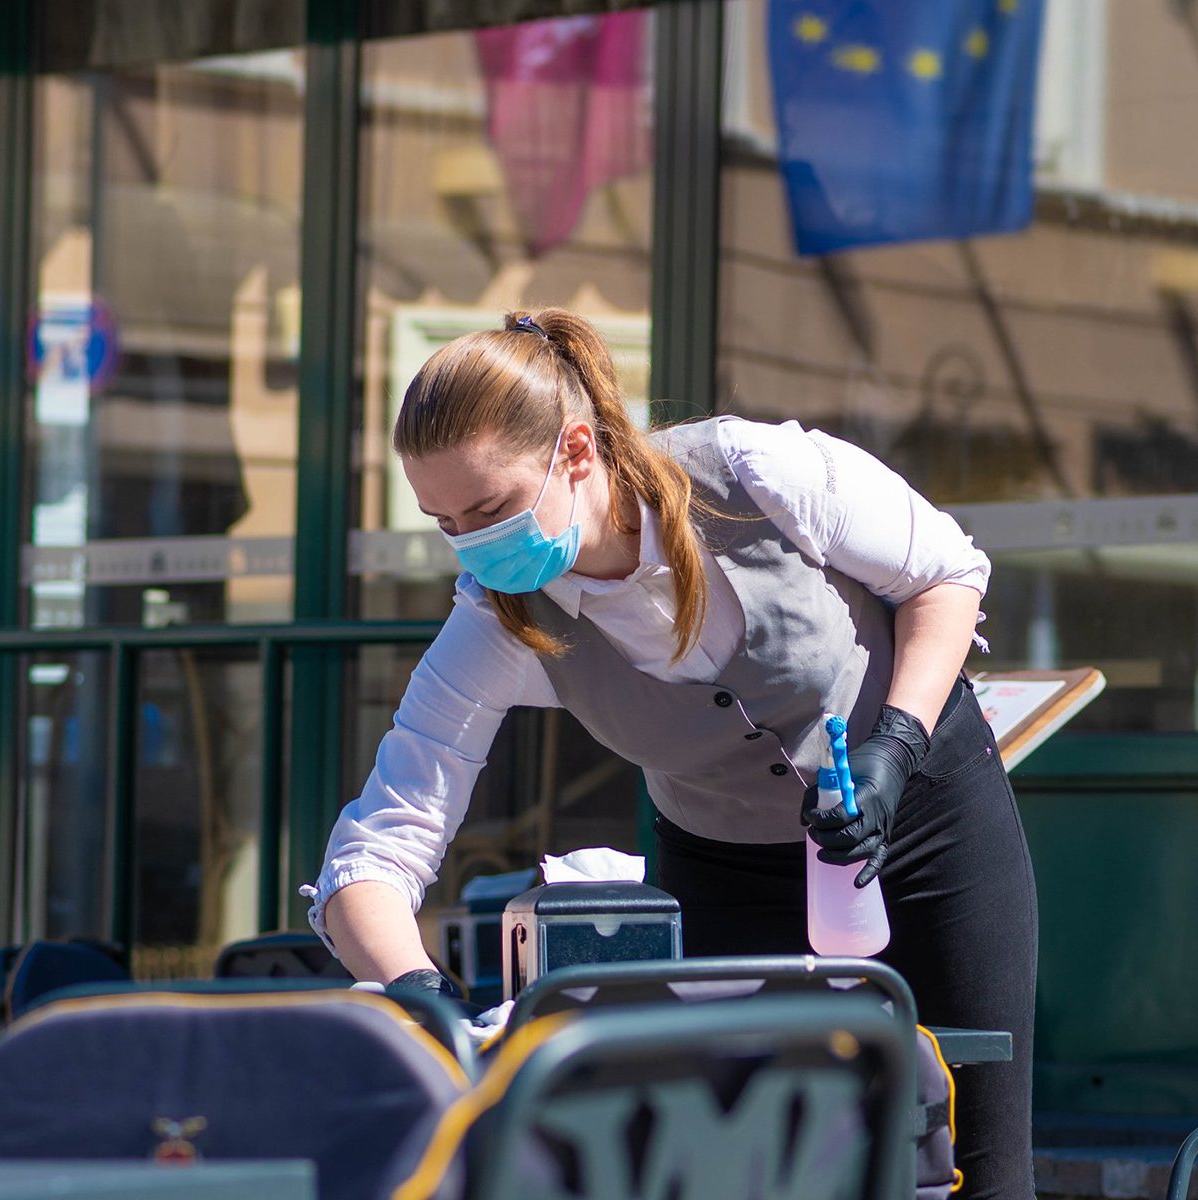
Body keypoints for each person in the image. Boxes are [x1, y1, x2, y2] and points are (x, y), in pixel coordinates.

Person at [302, 308, 1037, 1200]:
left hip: (923, 826)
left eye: (491, 509)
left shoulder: (755, 472)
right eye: (444, 521)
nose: (474, 546)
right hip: (724, 871)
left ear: (576, 451)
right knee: (750, 1169)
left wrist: (896, 745)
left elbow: (948, 575)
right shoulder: (498, 619)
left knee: (979, 1161)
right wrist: (419, 988)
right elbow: (379, 843)